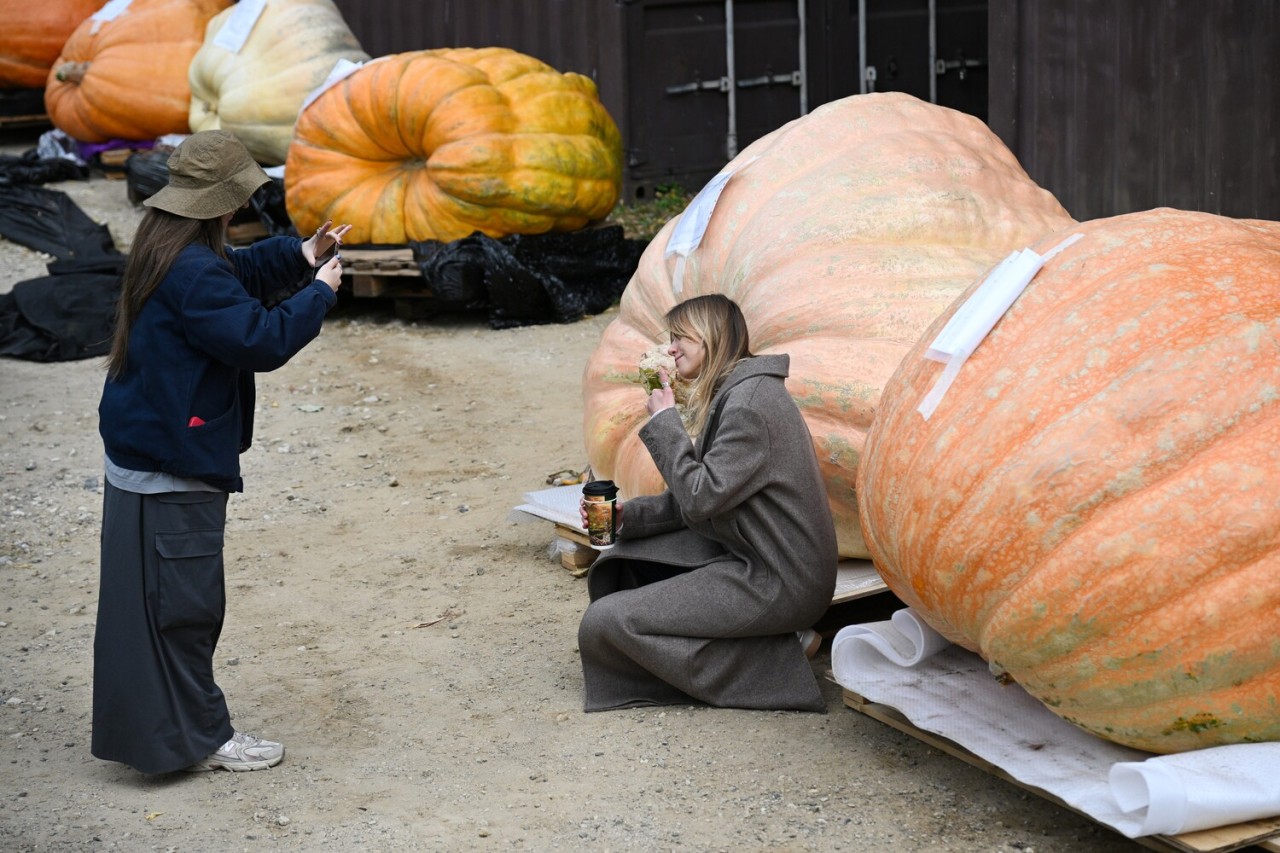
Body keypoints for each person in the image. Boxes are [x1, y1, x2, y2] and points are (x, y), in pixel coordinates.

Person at [92, 130, 349, 774]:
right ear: (225, 204)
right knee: (186, 609)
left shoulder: (164, 245)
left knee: (147, 611)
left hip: (143, 457)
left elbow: (237, 274)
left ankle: (158, 736)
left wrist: (302, 253)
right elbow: (259, 339)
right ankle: (205, 737)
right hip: (174, 467)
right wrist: (320, 292)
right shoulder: (194, 270)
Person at [578, 294, 838, 713]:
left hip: (778, 579)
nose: (671, 349)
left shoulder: (750, 406)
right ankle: (766, 639)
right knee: (625, 561)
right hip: (753, 552)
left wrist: (663, 420)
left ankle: (777, 661)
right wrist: (629, 517)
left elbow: (699, 498)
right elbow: (703, 493)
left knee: (604, 624)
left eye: (681, 337)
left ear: (711, 338)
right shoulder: (738, 394)